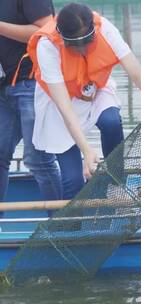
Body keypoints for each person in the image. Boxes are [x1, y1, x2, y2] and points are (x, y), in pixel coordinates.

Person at [27, 3, 141, 199]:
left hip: (94, 88)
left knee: (111, 121)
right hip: (60, 103)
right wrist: (87, 149)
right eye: (76, 46)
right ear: (63, 38)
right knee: (72, 179)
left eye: (88, 42)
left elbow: (134, 68)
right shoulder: (47, 46)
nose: (83, 50)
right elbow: (65, 110)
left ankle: (113, 180)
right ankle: (73, 227)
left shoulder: (105, 28)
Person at [0, 0, 62, 206]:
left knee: (38, 160)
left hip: (31, 83)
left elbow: (47, 29)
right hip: (4, 85)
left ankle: (61, 227)